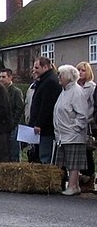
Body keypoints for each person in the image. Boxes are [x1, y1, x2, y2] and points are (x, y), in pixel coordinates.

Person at [53, 65, 88, 196]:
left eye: (61, 75)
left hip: (73, 134)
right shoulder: (65, 91)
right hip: (63, 135)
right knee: (67, 161)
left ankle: (73, 186)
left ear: (68, 77)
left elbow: (82, 114)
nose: (59, 77)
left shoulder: (77, 91)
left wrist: (75, 128)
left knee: (74, 162)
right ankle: (75, 185)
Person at [29, 57, 61, 164]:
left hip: (46, 128)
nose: (34, 70)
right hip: (42, 127)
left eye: (37, 67)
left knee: (45, 156)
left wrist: (39, 124)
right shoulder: (43, 80)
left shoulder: (50, 81)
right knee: (39, 155)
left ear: (45, 67)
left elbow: (46, 106)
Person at [76, 61, 96, 184]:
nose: (80, 73)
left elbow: (93, 106)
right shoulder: (76, 87)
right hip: (78, 123)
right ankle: (82, 176)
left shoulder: (91, 87)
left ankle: (89, 176)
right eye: (79, 70)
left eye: (83, 70)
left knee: (88, 150)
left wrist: (87, 118)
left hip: (88, 123)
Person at [0, 68, 25, 162]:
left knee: (14, 150)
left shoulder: (16, 91)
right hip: (3, 125)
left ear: (10, 78)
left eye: (3, 77)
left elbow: (19, 108)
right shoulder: (0, 91)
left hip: (13, 125)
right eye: (0, 77)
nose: (1, 79)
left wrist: (13, 123)